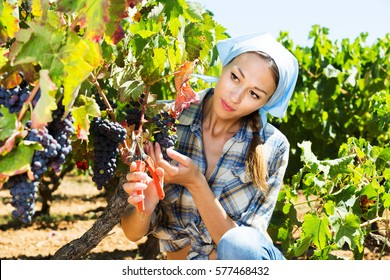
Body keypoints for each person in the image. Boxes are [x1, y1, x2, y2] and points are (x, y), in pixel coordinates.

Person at [120, 32, 299, 260]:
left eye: (254, 94)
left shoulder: (273, 146)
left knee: (239, 242)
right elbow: (132, 233)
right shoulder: (164, 122)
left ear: (265, 103)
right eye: (235, 77)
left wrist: (196, 183)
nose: (235, 97)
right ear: (223, 68)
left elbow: (242, 250)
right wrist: (145, 206)